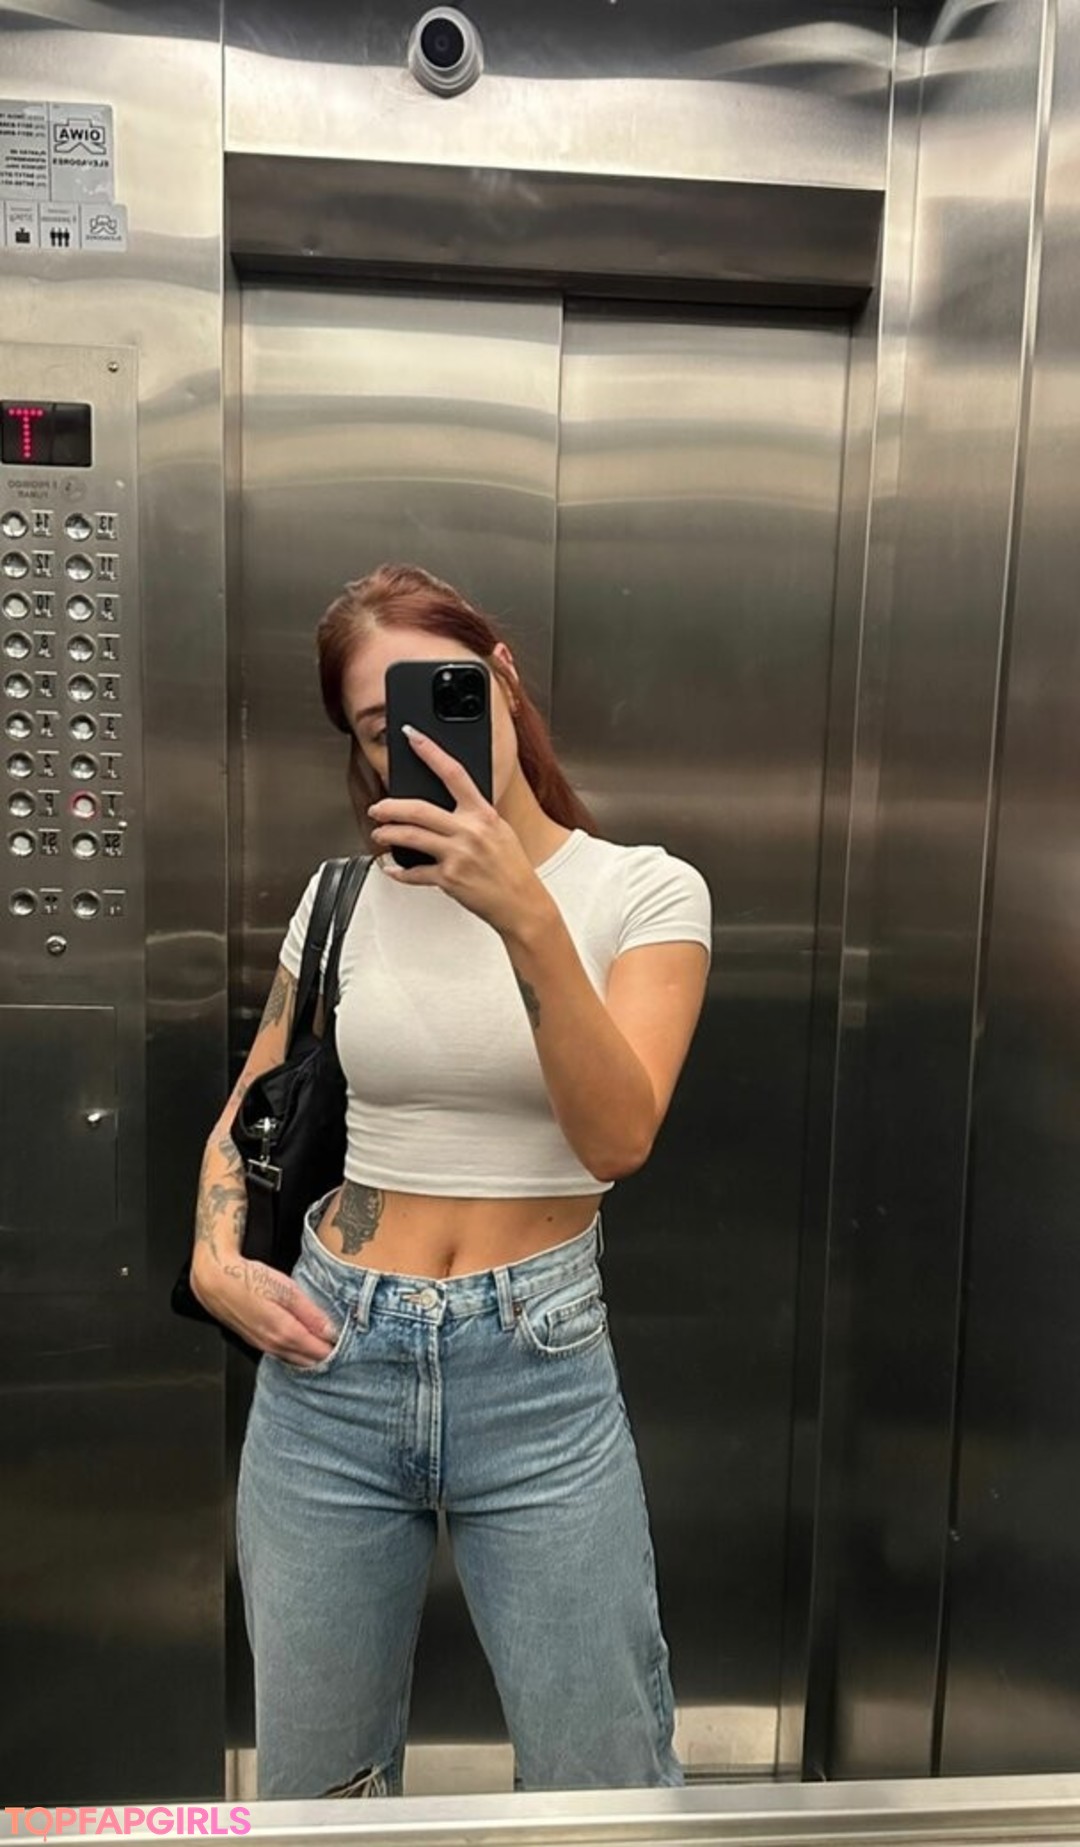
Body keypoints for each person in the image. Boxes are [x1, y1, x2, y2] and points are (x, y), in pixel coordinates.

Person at [190, 563, 712, 1798]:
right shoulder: (340, 900)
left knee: (602, 1779)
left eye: (445, 695)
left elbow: (617, 1136)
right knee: (318, 1787)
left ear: (504, 679)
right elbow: (249, 1108)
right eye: (380, 725)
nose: (416, 740)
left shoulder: (644, 889)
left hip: (535, 1366)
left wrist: (520, 910)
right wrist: (213, 1254)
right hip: (330, 1359)